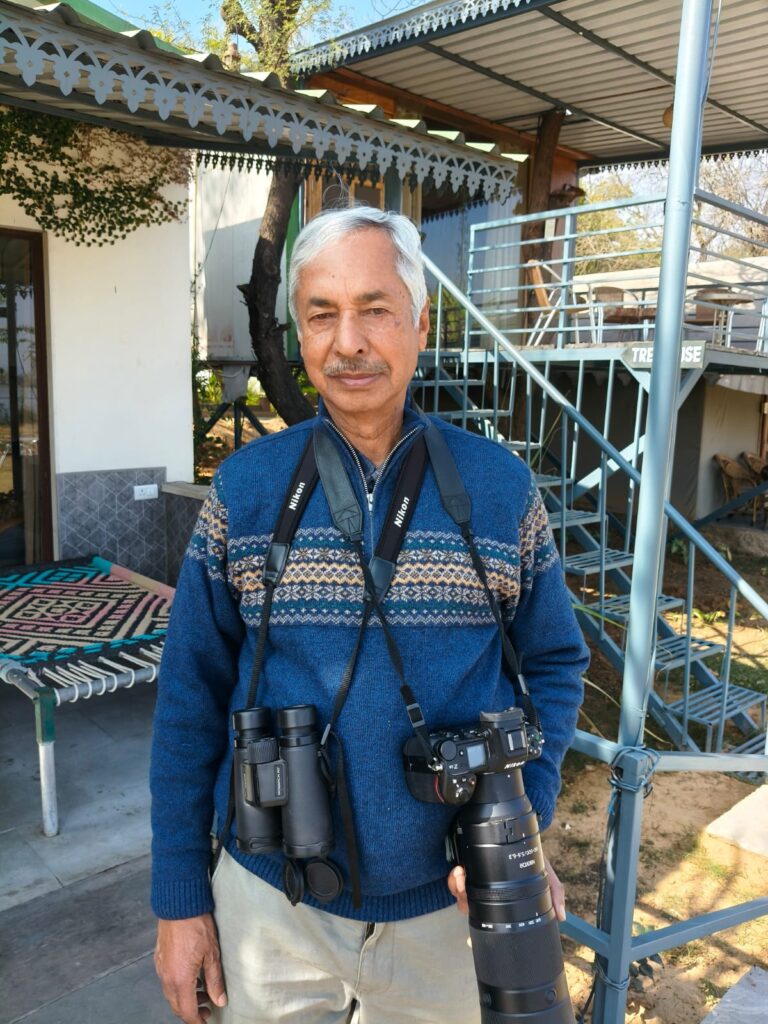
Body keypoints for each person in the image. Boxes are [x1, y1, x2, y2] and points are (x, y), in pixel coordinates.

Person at [151, 206, 589, 1024]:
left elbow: (558, 663)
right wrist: (179, 897)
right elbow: (188, 700)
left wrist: (520, 816)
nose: (347, 341)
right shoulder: (246, 489)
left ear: (420, 324)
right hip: (268, 906)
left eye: (375, 309)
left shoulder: (499, 488)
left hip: (449, 910)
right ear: (300, 334)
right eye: (322, 314)